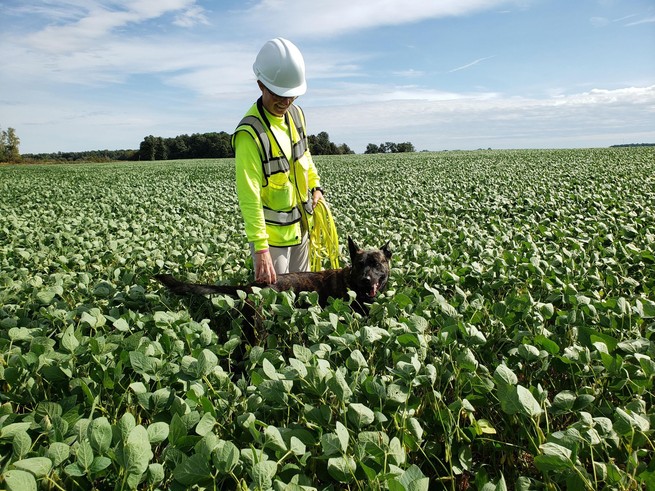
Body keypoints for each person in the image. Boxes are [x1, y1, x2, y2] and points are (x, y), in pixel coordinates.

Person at [232, 38, 324, 285]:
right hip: (273, 242)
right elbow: (249, 195)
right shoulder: (250, 133)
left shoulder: (296, 114)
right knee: (273, 303)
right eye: (279, 94)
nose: (286, 101)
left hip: (301, 227)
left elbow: (304, 155)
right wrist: (261, 249)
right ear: (261, 84)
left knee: (303, 297)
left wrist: (315, 186)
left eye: (291, 94)